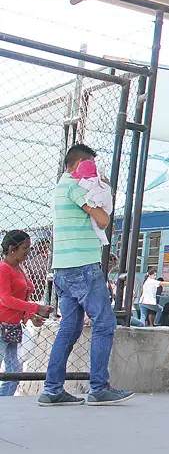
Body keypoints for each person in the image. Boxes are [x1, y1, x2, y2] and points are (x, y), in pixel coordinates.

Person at [41, 143, 132, 406]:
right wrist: (102, 187)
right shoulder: (74, 187)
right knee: (104, 323)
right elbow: (103, 219)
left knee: (69, 329)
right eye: (90, 164)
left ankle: (52, 389)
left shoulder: (62, 187)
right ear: (79, 164)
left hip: (63, 268)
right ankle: (99, 387)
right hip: (83, 266)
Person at [0, 231, 55, 397]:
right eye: (25, 249)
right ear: (12, 249)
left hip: (12, 325)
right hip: (2, 324)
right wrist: (34, 308)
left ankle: (4, 401)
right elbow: (6, 299)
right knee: (12, 369)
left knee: (14, 370)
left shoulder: (18, 268)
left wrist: (31, 315)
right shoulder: (3, 269)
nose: (28, 252)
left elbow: (20, 296)